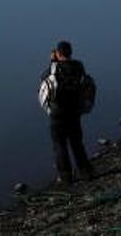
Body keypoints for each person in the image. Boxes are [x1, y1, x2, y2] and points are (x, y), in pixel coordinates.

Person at [39, 40, 94, 185]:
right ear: (71, 52)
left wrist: (52, 61)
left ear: (58, 53)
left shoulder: (54, 68)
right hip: (75, 111)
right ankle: (86, 172)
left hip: (57, 113)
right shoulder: (79, 66)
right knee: (77, 143)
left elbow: (44, 77)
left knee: (59, 145)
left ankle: (66, 177)